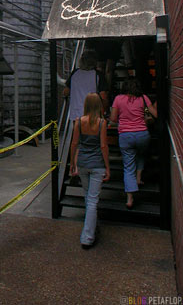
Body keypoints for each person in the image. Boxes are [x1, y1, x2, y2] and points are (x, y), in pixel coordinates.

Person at [70, 93, 110, 249]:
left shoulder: (79, 122)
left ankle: (91, 227)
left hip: (83, 164)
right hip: (97, 165)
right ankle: (87, 237)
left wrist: (73, 163)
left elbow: (74, 143)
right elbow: (103, 146)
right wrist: (107, 166)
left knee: (88, 196)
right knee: (93, 200)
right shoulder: (102, 123)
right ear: (99, 105)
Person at [109, 78, 157, 209]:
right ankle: (139, 177)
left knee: (128, 166)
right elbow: (155, 114)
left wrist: (123, 120)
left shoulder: (118, 99)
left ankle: (130, 198)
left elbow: (113, 119)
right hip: (142, 134)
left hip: (125, 135)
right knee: (141, 154)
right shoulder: (143, 98)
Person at [63, 49, 108, 124]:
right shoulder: (98, 75)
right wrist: (105, 110)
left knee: (78, 134)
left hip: (76, 113)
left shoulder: (75, 73)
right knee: (92, 135)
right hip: (93, 114)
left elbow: (66, 92)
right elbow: (103, 96)